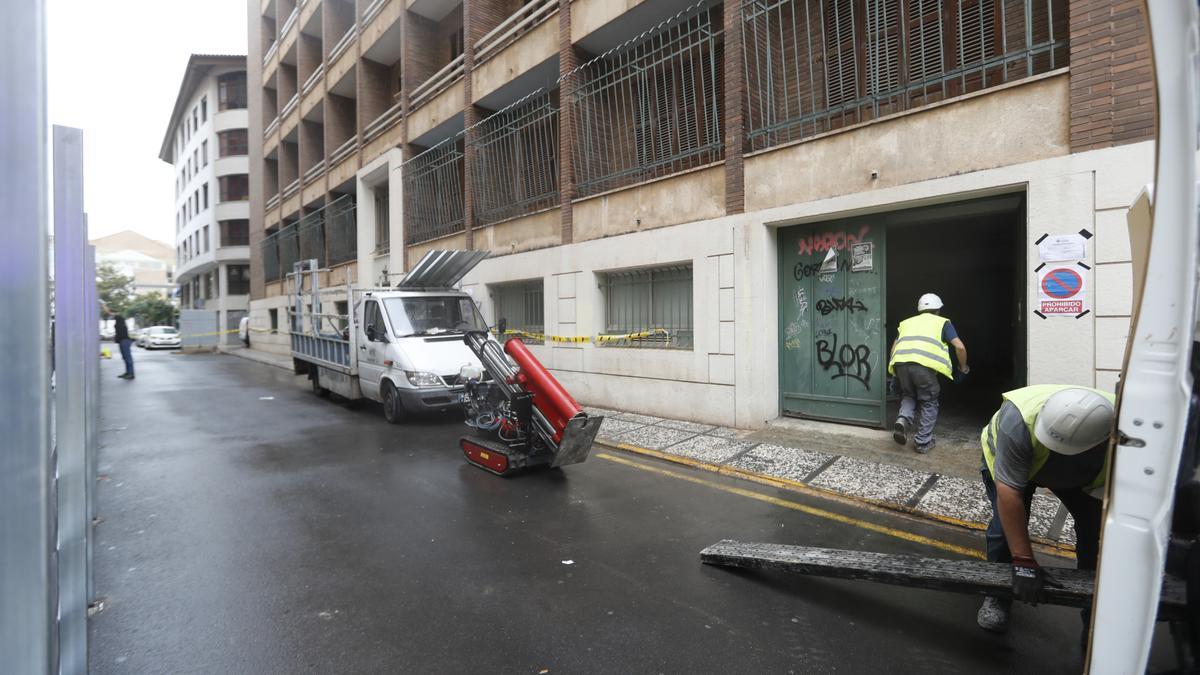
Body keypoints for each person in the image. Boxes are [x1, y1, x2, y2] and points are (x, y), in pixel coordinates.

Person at [975, 385, 1115, 636]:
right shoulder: (1018, 421)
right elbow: (1010, 494)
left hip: (1084, 476)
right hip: (1015, 463)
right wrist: (1024, 561)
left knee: (1097, 539)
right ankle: (998, 594)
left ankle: (1094, 618)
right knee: (1004, 532)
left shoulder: (1126, 433)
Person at [887, 293, 969, 453]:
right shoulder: (942, 323)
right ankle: (922, 442)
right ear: (938, 310)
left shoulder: (906, 323)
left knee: (909, 395)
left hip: (901, 363)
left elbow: (893, 348)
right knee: (929, 400)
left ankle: (903, 419)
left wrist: (896, 372)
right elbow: (960, 347)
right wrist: (963, 367)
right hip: (924, 367)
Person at [114, 313, 135, 380]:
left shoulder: (121, 325)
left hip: (124, 341)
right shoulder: (122, 324)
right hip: (123, 341)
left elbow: (113, 314)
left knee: (127, 358)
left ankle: (131, 373)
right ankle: (128, 372)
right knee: (125, 358)